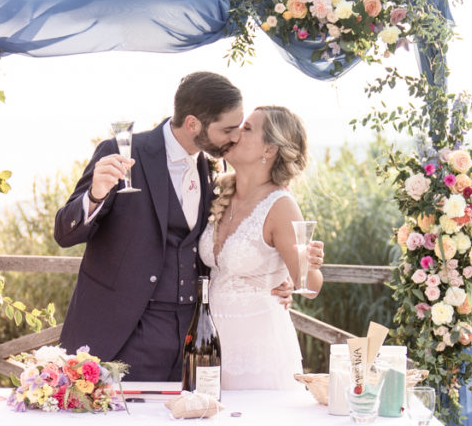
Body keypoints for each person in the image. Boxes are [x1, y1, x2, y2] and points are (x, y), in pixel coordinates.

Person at [54, 72, 290, 380]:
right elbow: (65, 232)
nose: (235, 138)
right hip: (124, 333)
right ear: (193, 124)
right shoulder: (123, 152)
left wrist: (276, 282)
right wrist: (95, 195)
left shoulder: (212, 167)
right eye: (228, 129)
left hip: (190, 339)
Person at [199, 105, 324, 390]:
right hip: (212, 348)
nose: (235, 133)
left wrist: (310, 265)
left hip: (259, 351)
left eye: (247, 129)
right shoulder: (216, 193)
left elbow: (311, 286)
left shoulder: (281, 205)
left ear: (269, 149)